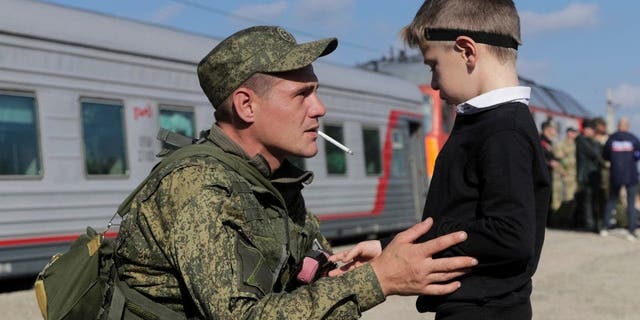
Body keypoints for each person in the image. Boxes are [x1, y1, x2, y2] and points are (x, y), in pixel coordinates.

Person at [113, 26, 478, 319]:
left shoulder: (270, 181)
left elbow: (299, 274)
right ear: (246, 106)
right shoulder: (199, 187)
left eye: (316, 92)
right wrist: (378, 280)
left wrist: (331, 273)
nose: (319, 108)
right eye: (301, 95)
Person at [331, 1, 550, 319]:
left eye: (433, 65)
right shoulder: (488, 123)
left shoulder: (504, 130)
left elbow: (510, 235)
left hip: (484, 310)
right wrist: (387, 246)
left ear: (467, 52)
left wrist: (414, 247)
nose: (433, 83)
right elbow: (463, 217)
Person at [600, 117, 640, 241]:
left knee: (611, 201)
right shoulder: (634, 139)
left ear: (618, 125)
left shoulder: (611, 139)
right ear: (627, 126)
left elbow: (605, 155)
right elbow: (638, 155)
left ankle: (604, 228)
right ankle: (631, 231)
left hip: (615, 174)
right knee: (631, 202)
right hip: (631, 175)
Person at [575, 120, 603, 232]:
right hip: (586, 175)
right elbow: (594, 153)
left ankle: (594, 223)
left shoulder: (592, 141)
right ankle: (589, 224)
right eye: (588, 129)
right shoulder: (582, 140)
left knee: (593, 200)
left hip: (593, 175)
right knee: (588, 200)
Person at [553, 127, 579, 226]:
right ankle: (560, 221)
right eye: (571, 132)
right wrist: (562, 171)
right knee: (562, 199)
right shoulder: (560, 144)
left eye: (574, 133)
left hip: (575, 176)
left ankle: (568, 220)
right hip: (564, 175)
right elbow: (557, 158)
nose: (573, 135)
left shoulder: (577, 144)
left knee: (572, 200)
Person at [540, 120, 565, 214]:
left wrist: (557, 158)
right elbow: (540, 158)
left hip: (548, 173)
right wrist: (549, 163)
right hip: (542, 173)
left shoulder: (549, 142)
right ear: (548, 129)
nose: (555, 131)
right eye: (553, 129)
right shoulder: (541, 141)